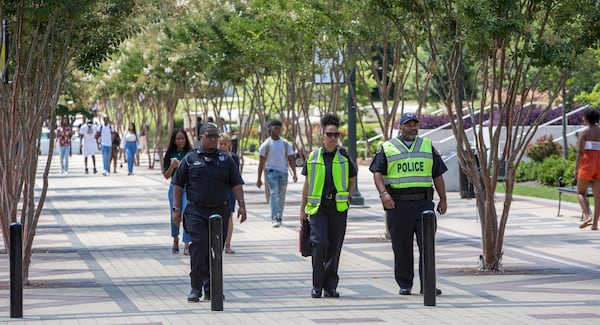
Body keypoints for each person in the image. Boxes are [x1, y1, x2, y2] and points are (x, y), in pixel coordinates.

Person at [369, 112, 448, 296]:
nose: (413, 127)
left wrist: (443, 199)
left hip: (424, 204)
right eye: (408, 124)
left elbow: (437, 174)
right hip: (398, 205)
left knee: (427, 246)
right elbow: (377, 173)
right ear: (401, 127)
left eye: (415, 124)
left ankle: (427, 284)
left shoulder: (427, 146)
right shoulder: (387, 147)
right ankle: (405, 284)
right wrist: (383, 194)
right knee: (401, 247)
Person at [172, 123, 247, 302]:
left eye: (216, 136)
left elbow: (236, 183)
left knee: (215, 251)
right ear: (201, 138)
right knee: (198, 247)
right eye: (209, 136)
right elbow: (178, 185)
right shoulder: (191, 159)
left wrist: (242, 205)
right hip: (196, 210)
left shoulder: (226, 159)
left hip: (220, 210)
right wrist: (176, 209)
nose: (213, 139)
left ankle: (212, 289)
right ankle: (195, 287)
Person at [299, 113, 357, 299]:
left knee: (335, 247)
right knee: (320, 243)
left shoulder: (344, 157)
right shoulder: (313, 156)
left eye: (336, 134)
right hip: (318, 208)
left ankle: (330, 286)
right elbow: (307, 184)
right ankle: (317, 284)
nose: (333, 138)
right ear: (322, 136)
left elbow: (352, 178)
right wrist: (302, 209)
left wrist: (349, 197)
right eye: (329, 134)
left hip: (338, 208)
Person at [256, 120, 298, 227]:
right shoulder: (266, 144)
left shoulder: (285, 144)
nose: (277, 130)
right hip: (271, 172)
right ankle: (274, 217)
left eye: (279, 128)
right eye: (275, 128)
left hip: (283, 173)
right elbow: (261, 162)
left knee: (281, 195)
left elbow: (291, 159)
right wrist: (259, 178)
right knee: (274, 194)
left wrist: (294, 173)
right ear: (270, 128)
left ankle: (279, 215)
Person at [163, 128, 193, 255]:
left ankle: (187, 244)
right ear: (174, 141)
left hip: (187, 188)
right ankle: (175, 238)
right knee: (175, 214)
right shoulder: (170, 155)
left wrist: (183, 165)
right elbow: (166, 175)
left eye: (183, 138)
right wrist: (172, 166)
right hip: (174, 188)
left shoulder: (191, 154)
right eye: (178, 138)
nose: (181, 141)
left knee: (187, 213)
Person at [574, 108, 600, 230]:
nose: (582, 118)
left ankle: (587, 215)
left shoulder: (583, 132)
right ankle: (595, 225)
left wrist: (576, 168)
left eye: (584, 116)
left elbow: (580, 152)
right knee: (597, 196)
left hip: (587, 164)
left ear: (587, 118)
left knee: (580, 192)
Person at [219, 133, 240, 254]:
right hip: (217, 190)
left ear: (229, 144)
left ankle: (227, 243)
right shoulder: (214, 157)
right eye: (220, 144)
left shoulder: (233, 158)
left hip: (229, 190)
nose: (222, 146)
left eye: (224, 144)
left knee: (229, 216)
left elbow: (236, 176)